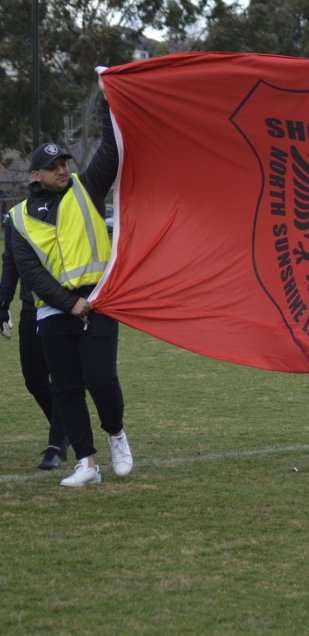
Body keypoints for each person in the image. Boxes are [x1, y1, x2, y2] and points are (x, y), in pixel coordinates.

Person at [9, 92, 133, 487]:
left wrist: (108, 105)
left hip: (98, 300)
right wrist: (67, 303)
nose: (62, 169)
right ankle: (87, 463)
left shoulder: (87, 187)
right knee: (66, 389)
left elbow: (112, 151)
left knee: (100, 379)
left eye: (63, 162)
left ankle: (116, 433)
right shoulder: (17, 219)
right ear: (35, 176)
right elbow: (30, 273)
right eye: (52, 166)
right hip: (54, 310)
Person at [0, 212, 65, 469]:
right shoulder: (16, 218)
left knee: (62, 377)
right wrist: (3, 303)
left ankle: (57, 443)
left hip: (64, 306)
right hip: (31, 307)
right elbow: (10, 263)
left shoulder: (67, 210)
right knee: (33, 378)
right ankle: (68, 427)